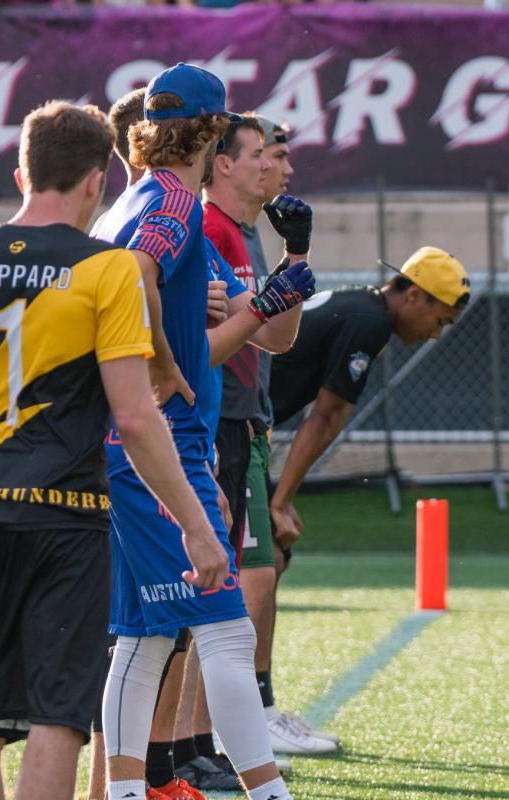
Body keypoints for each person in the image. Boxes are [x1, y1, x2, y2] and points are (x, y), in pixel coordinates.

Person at [0, 100, 228, 800]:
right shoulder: (106, 271)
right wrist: (196, 526)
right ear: (96, 181)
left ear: (20, 174)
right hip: (68, 521)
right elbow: (135, 418)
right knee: (58, 717)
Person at [91, 63, 312, 800]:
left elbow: (259, 328)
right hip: (165, 441)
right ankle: (269, 793)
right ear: (213, 133)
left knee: (144, 640)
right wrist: (158, 357)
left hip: (139, 443)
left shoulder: (134, 200)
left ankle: (126, 794)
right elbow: (137, 271)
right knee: (226, 631)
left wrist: (273, 288)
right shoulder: (177, 202)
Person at [233, 115, 340, 756]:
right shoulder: (207, 227)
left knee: (254, 576)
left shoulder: (249, 233)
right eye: (272, 153)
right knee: (235, 585)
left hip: (245, 425)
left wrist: (294, 258)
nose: (286, 168)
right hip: (212, 429)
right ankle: (229, 727)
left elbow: (275, 336)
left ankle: (242, 719)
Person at [269, 246, 471, 547]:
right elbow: (327, 417)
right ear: (414, 295)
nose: (435, 335)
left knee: (269, 552)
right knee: (267, 554)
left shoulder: (361, 303)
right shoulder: (371, 322)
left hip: (233, 418)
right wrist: (281, 502)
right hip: (229, 422)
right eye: (439, 321)